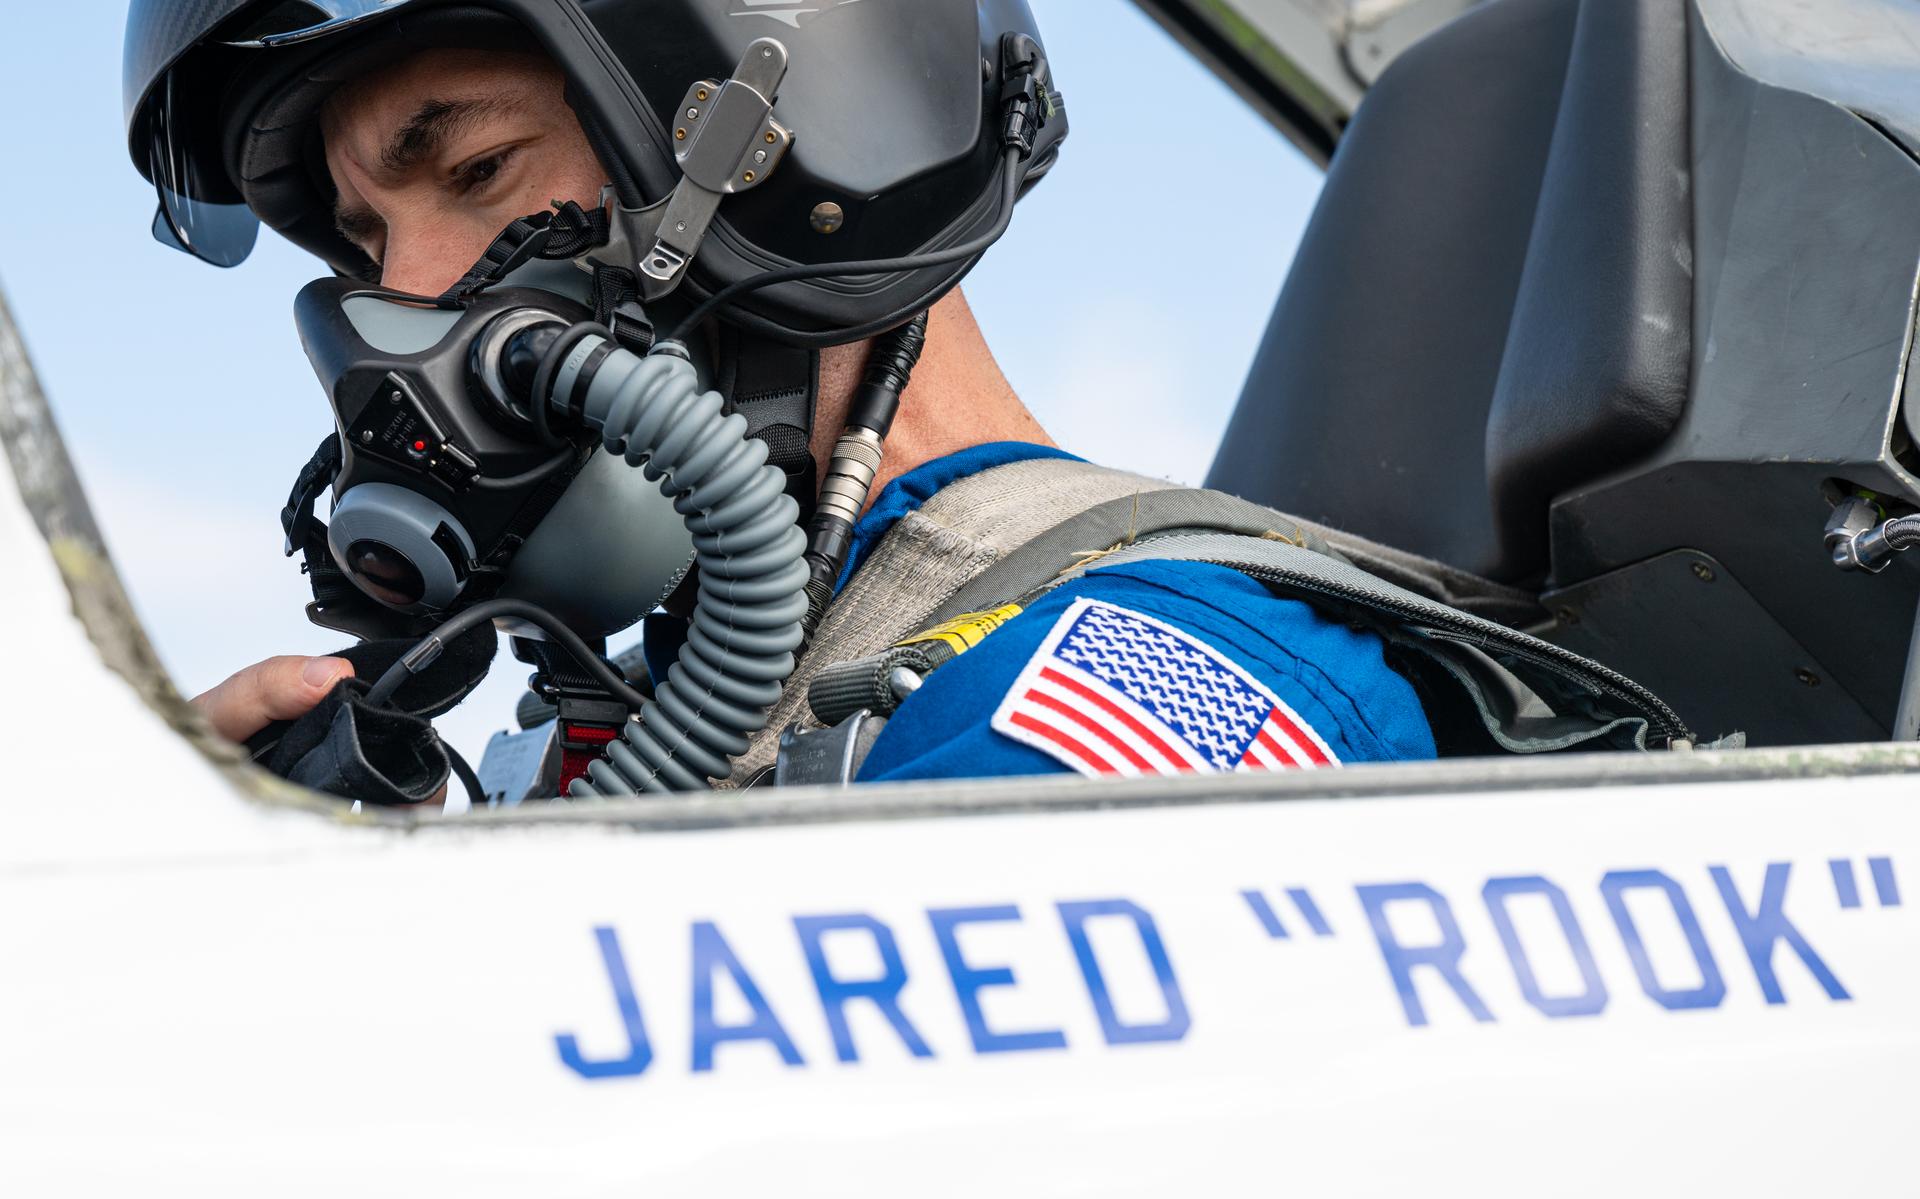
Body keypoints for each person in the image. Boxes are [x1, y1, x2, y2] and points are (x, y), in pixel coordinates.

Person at [126, 0, 1437, 792]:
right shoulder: (633, 725)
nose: (399, 292)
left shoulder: (1132, 709)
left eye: (472, 167)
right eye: (363, 246)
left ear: (798, 132)